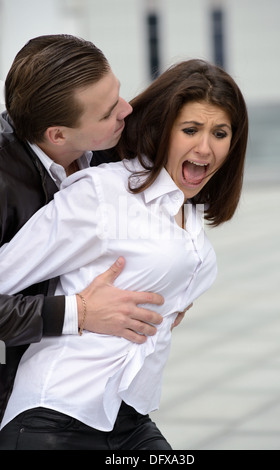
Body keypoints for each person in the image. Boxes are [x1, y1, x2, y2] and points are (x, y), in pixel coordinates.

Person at [0, 59, 248, 450]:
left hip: (127, 417)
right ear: (162, 130)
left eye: (220, 133)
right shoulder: (103, 192)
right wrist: (79, 310)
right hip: (57, 420)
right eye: (190, 130)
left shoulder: (190, 212)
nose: (205, 147)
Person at [0, 35, 165, 423]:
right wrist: (79, 312)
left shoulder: (112, 141)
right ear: (57, 135)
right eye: (108, 112)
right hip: (20, 399)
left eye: (119, 92)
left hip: (94, 385)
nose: (127, 110)